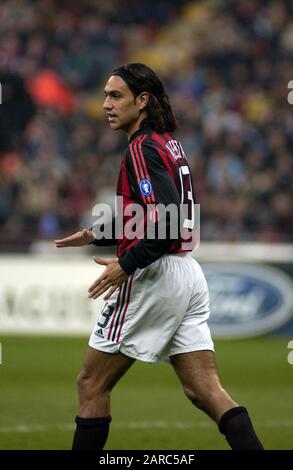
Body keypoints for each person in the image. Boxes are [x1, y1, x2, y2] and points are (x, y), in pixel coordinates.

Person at [54, 63, 264, 451]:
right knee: (205, 391)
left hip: (154, 274)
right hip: (187, 272)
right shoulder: (168, 142)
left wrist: (126, 264)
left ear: (143, 100)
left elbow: (167, 222)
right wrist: (97, 233)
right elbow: (162, 215)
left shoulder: (141, 147)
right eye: (105, 95)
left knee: (91, 382)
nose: (105, 104)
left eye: (115, 96)